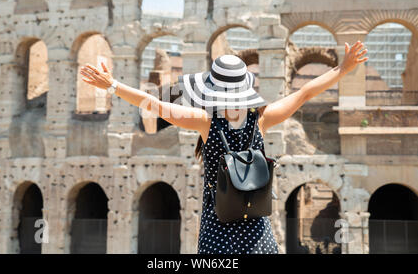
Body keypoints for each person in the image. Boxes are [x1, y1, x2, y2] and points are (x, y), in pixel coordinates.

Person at [79, 41, 368, 254]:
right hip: (257, 231)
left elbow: (156, 106)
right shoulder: (261, 119)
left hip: (217, 231)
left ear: (213, 90)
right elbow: (305, 92)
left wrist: (112, 85)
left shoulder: (206, 122)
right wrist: (344, 68)